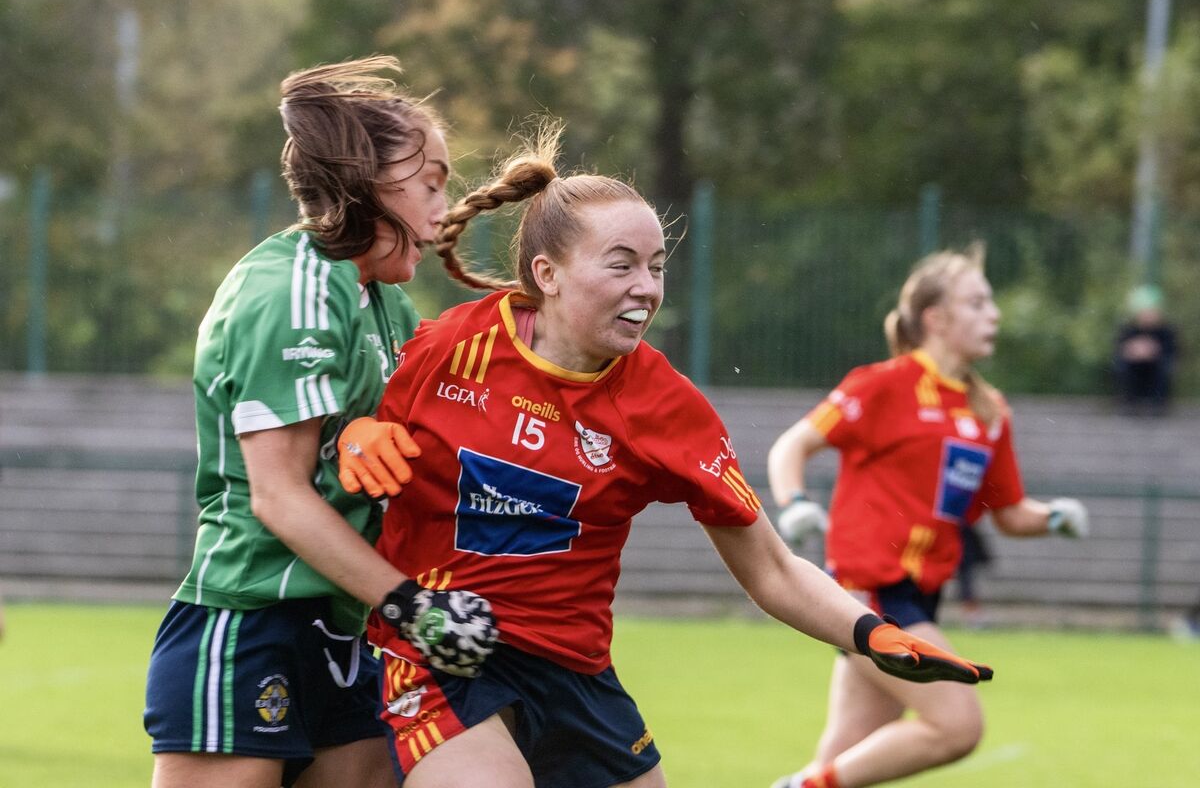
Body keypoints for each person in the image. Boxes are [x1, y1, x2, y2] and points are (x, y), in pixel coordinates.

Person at [337, 123, 993, 788]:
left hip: (576, 675)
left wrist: (870, 634)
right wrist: (353, 432)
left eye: (656, 268)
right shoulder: (451, 348)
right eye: (621, 265)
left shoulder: (666, 408)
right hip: (443, 651)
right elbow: (317, 449)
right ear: (548, 275)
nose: (646, 288)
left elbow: (770, 569)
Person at [143, 56, 498, 788]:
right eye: (430, 183)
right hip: (250, 623)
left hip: (343, 622)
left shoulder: (384, 302)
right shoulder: (294, 292)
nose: (444, 207)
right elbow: (279, 496)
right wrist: (411, 603)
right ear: (366, 183)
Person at [766, 246, 1090, 788]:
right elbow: (792, 446)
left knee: (843, 757)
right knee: (957, 726)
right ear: (935, 318)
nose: (995, 314)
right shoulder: (883, 384)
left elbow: (1009, 514)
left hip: (921, 594)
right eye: (978, 303)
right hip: (870, 592)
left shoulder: (988, 411)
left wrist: (1056, 517)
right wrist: (795, 501)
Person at [1113, 284, 1177, 416]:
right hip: (1135, 370)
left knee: (1164, 367)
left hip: (1156, 370)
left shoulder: (1166, 332)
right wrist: (1133, 352)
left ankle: (1157, 404)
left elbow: (1172, 353)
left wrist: (1153, 352)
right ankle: (1128, 402)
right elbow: (1119, 352)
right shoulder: (1128, 330)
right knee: (1122, 367)